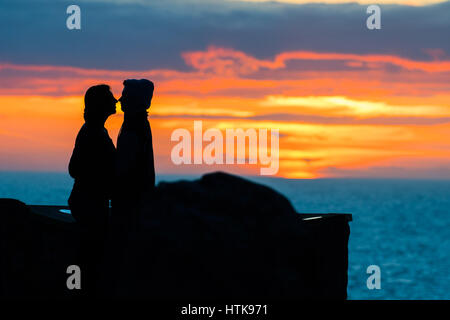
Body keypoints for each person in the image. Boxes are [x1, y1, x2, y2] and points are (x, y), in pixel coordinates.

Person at [68, 84, 117, 296]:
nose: (115, 101)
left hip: (90, 203)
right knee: (86, 257)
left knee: (87, 255)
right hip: (89, 205)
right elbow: (74, 168)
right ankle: (78, 292)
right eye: (110, 98)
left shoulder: (95, 129)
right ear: (99, 104)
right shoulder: (92, 131)